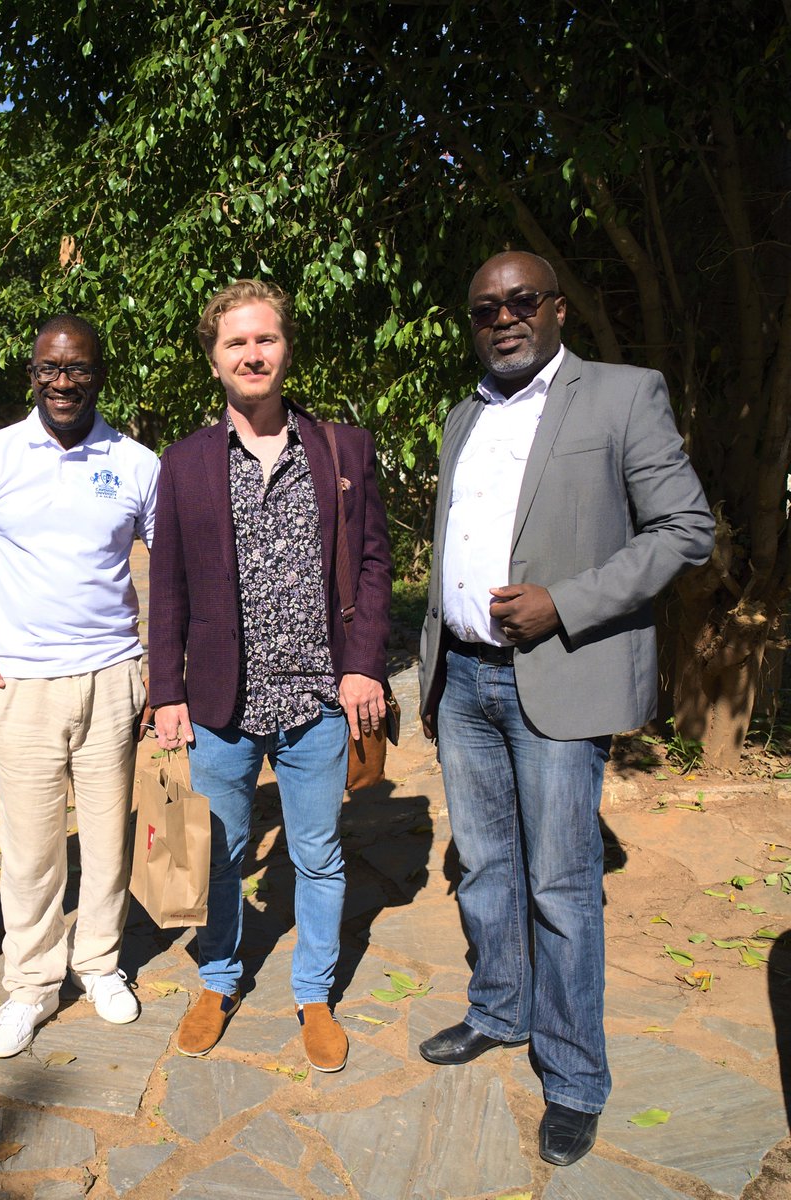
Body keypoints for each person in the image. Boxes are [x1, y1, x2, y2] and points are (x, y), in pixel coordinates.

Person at [417, 251, 714, 1165]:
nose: (502, 318)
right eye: (484, 309)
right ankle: (500, 1010)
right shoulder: (463, 416)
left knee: (561, 885)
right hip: (462, 677)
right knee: (487, 866)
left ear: (555, 309)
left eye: (520, 302)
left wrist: (566, 603)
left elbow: (686, 530)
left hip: (558, 673)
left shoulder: (623, 396)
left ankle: (576, 1077)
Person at [148, 279, 393, 1073]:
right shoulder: (183, 463)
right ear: (213, 360)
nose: (252, 354)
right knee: (217, 853)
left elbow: (374, 565)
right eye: (235, 343)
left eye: (265, 339)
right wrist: (166, 692)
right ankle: (218, 978)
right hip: (221, 701)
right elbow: (170, 588)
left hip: (320, 697)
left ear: (286, 349)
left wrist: (363, 669)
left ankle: (313, 994)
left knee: (317, 854)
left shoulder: (341, 449)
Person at [0, 314, 160, 1058]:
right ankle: (33, 984)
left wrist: (158, 674)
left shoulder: (137, 462)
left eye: (77, 368)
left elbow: (167, 571)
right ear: (31, 373)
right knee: (31, 848)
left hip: (111, 676)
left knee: (107, 840)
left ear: (100, 373)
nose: (63, 381)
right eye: (50, 368)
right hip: (23, 684)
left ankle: (100, 963)